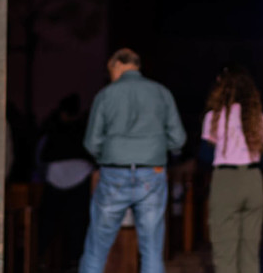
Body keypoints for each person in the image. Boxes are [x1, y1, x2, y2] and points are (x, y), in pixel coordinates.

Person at [79, 48, 186, 273]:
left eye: (110, 70)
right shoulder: (161, 92)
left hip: (114, 173)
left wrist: (108, 157)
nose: (110, 76)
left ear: (118, 65)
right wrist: (157, 150)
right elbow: (178, 139)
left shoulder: (106, 95)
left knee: (96, 249)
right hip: (152, 173)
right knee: (152, 250)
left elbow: (91, 142)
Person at [201, 65, 263, 273]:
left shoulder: (214, 117)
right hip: (253, 180)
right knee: (250, 252)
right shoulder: (260, 119)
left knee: (225, 252)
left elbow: (205, 156)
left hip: (226, 180)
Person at [37, 94, 94, 271]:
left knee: (49, 222)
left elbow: (41, 157)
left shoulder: (53, 129)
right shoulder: (83, 128)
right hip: (79, 176)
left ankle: (41, 257)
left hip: (58, 177)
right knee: (77, 222)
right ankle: (73, 260)